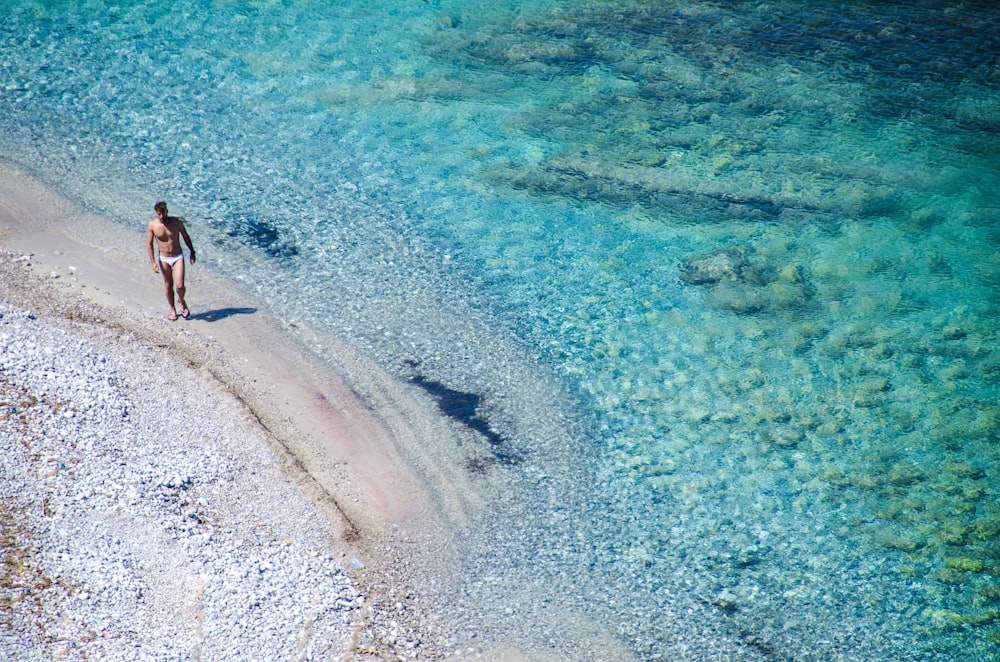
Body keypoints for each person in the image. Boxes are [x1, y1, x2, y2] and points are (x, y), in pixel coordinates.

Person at [146, 201, 196, 321]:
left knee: (180, 285)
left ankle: (181, 301)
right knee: (168, 285)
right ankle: (172, 309)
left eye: (163, 213)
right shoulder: (153, 225)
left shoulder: (176, 222)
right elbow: (149, 244)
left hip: (178, 256)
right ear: (156, 213)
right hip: (164, 258)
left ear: (167, 211)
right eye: (159, 214)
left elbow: (185, 235)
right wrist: (153, 262)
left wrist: (192, 251)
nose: (162, 217)